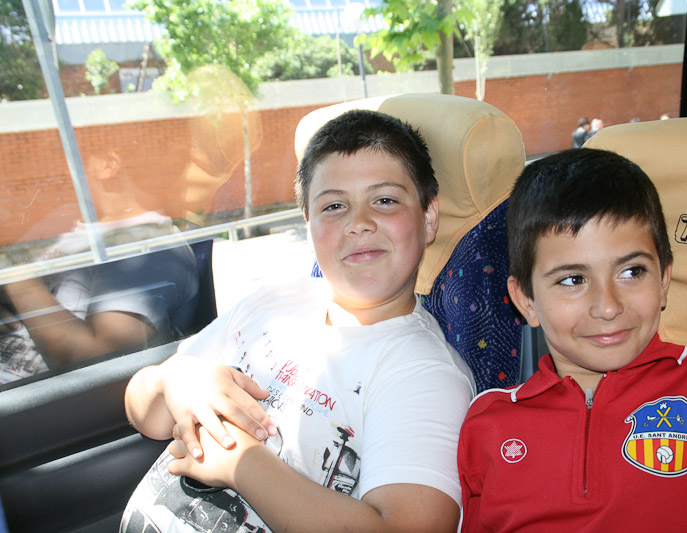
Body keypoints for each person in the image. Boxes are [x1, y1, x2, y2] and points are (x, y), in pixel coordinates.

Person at [120, 109, 476, 532]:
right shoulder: (269, 303)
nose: (359, 223)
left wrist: (240, 463)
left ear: (429, 218)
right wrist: (176, 378)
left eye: (384, 200)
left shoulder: (423, 371)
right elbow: (146, 413)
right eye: (334, 206)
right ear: (308, 227)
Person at [457, 148, 687, 531]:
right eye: (572, 279)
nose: (608, 306)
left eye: (632, 272)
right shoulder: (487, 423)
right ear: (526, 301)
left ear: (664, 280)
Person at [0, 147, 199, 385]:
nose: (43, 171)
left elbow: (98, 364)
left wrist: (18, 280)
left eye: (59, 155)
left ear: (108, 164)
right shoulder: (63, 217)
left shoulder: (147, 245)